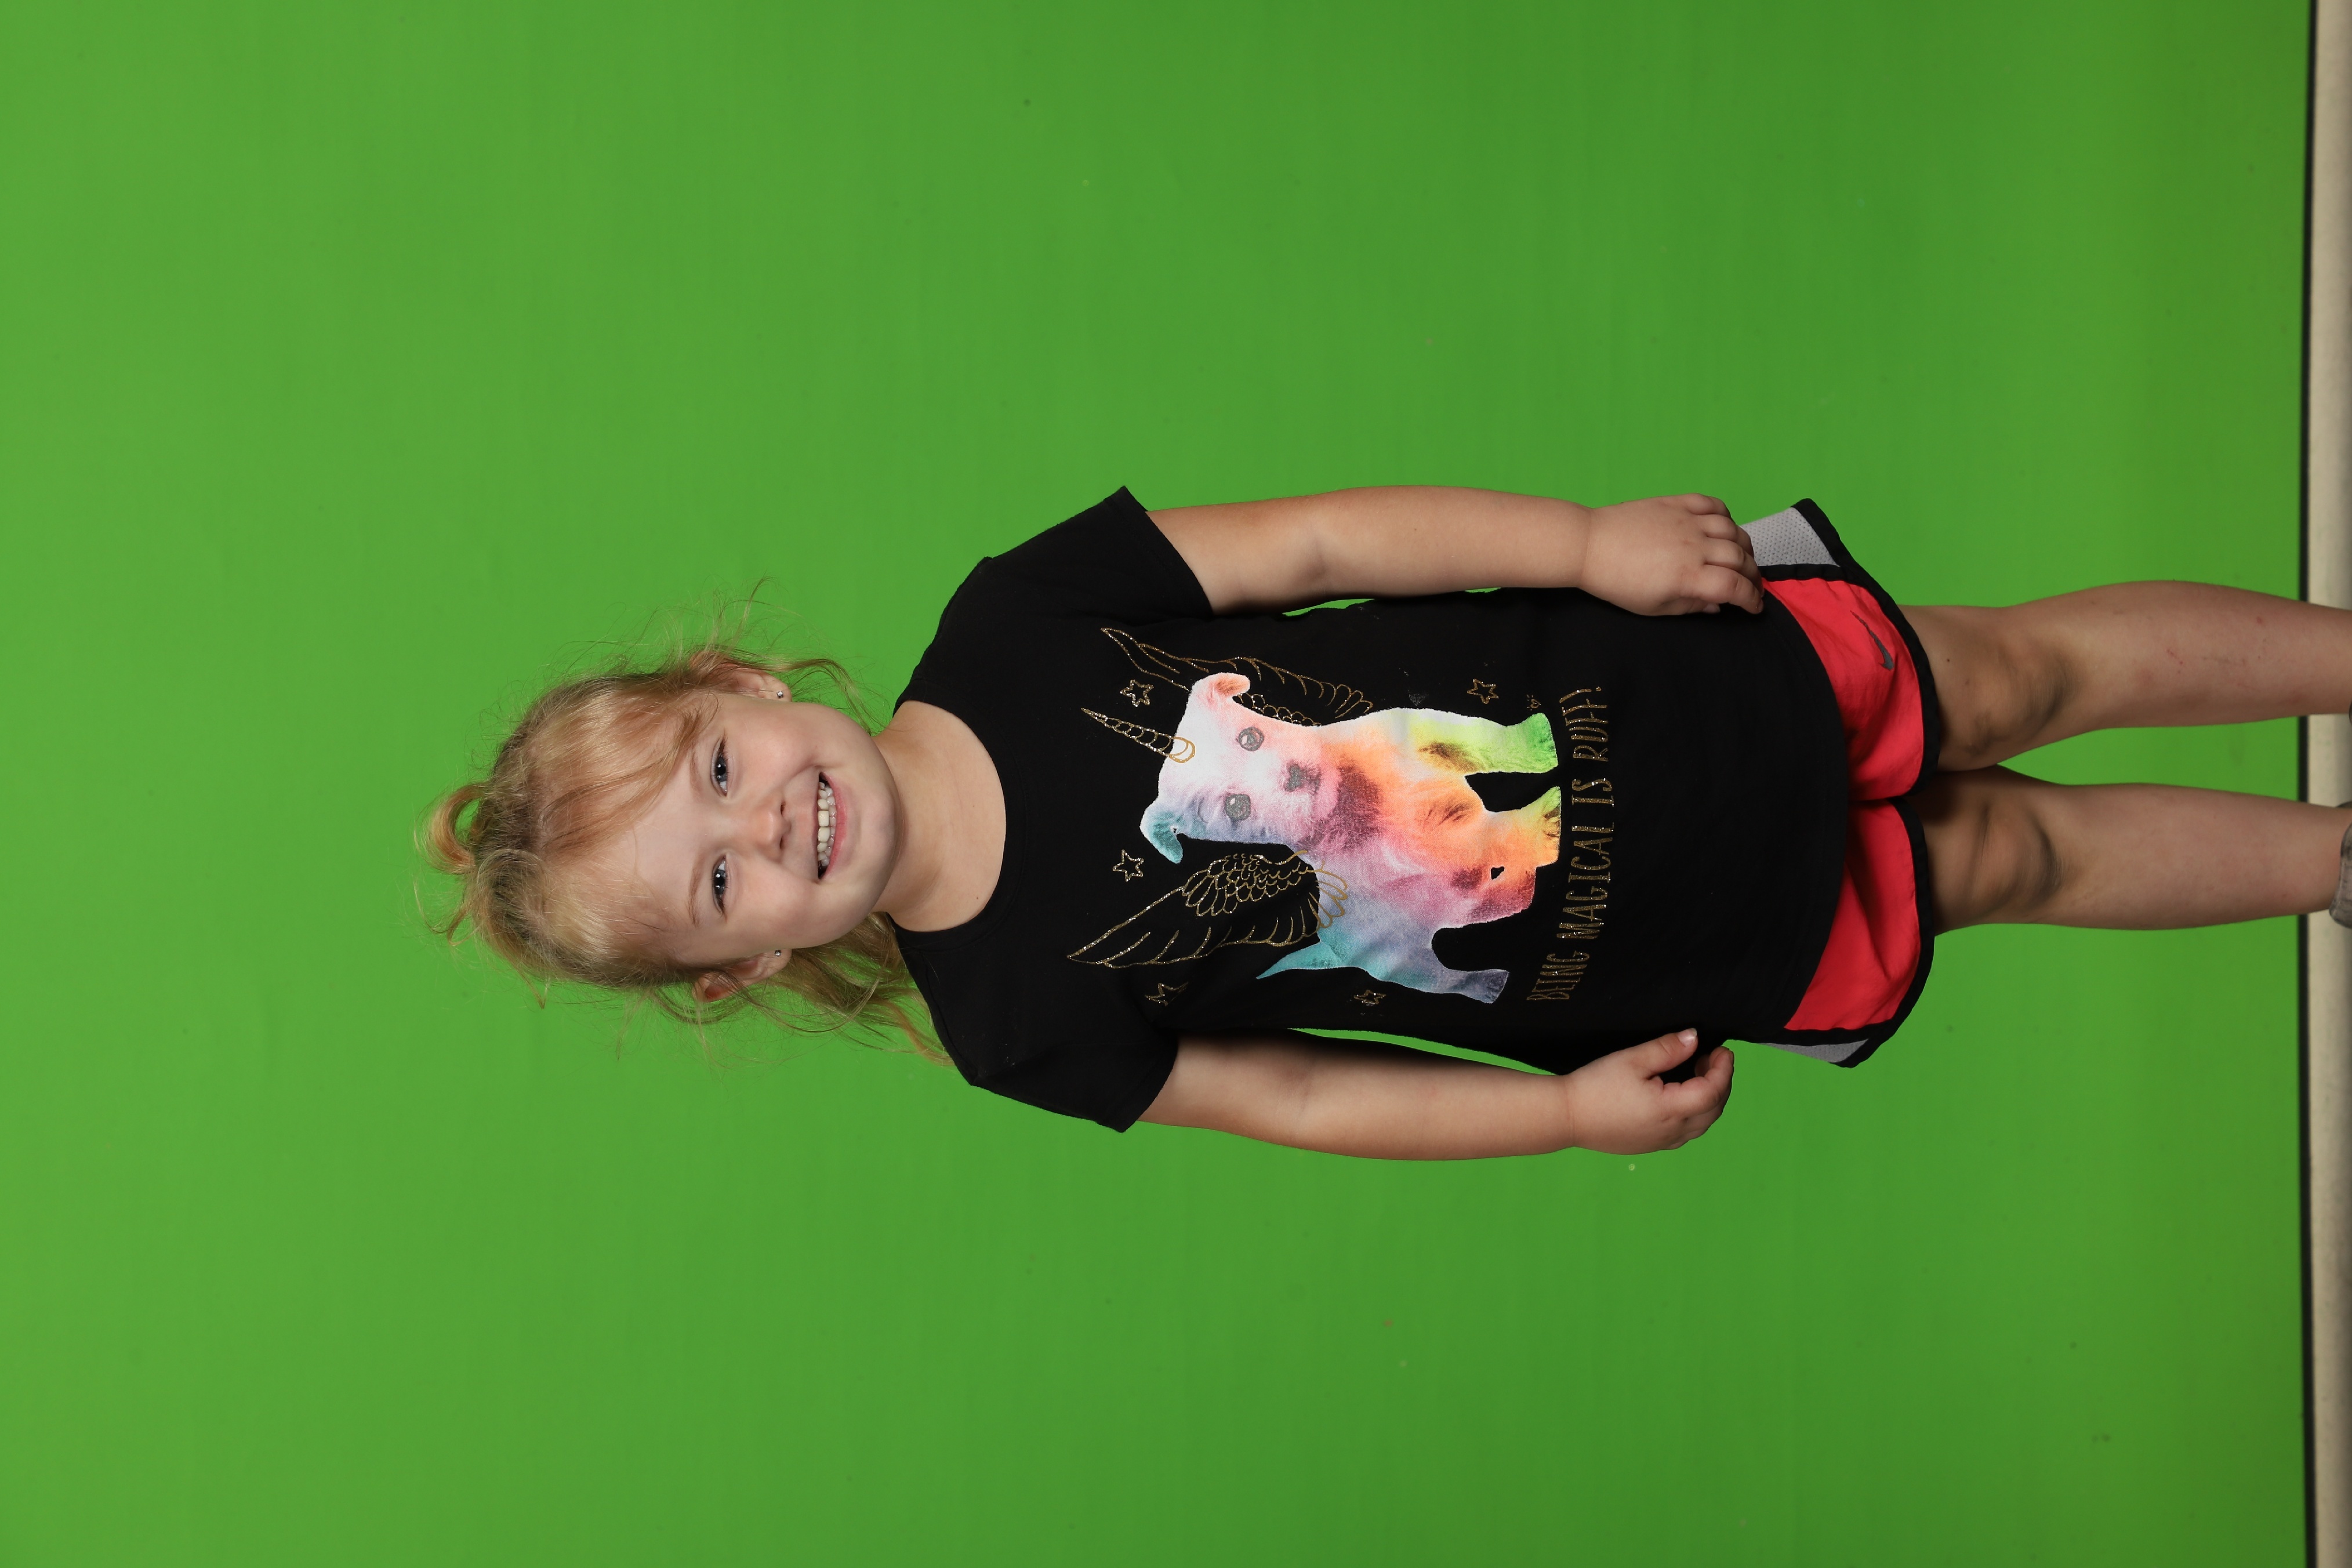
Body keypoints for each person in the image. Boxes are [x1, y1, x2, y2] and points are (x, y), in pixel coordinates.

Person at [423, 487, 2352, 1160]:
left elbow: (1323, 540)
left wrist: (1583, 546)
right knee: (2007, 861)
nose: (770, 823)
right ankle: (2333, 865)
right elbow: (1302, 1094)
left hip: (1653, 683)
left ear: (745, 685)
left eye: (721, 769)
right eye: (720, 880)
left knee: (2007, 679)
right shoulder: (1015, 1026)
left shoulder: (1016, 616)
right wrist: (1560, 1115)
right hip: (1644, 943)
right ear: (745, 963)